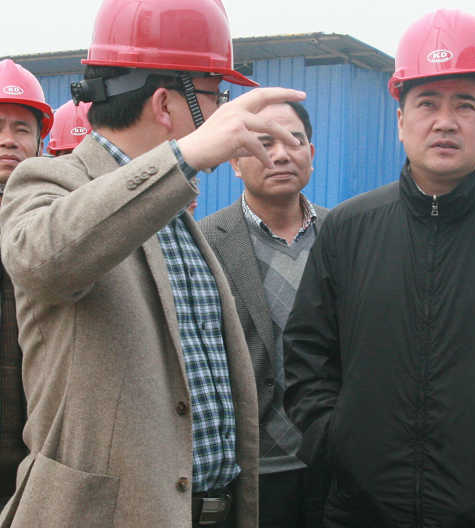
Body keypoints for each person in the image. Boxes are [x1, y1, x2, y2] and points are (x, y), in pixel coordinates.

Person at [283, 9, 475, 528]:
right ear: (401, 122)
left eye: (466, 105)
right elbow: (306, 355)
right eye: (427, 103)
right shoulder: (346, 230)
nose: (445, 121)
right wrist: (338, 443)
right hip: (363, 510)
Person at [0, 0, 305, 525]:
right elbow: (40, 261)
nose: (222, 111)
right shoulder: (50, 181)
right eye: (214, 94)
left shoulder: (172, 208)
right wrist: (185, 156)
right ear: (165, 103)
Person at [200, 101, 329, 527]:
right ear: (235, 162)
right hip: (252, 469)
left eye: (294, 140)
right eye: (263, 142)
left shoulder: (343, 233)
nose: (281, 155)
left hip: (332, 461)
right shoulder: (206, 243)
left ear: (311, 152)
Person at [0, 58, 53, 510]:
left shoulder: (57, 220)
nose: (8, 139)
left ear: (39, 142)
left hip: (40, 448)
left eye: (21, 128)